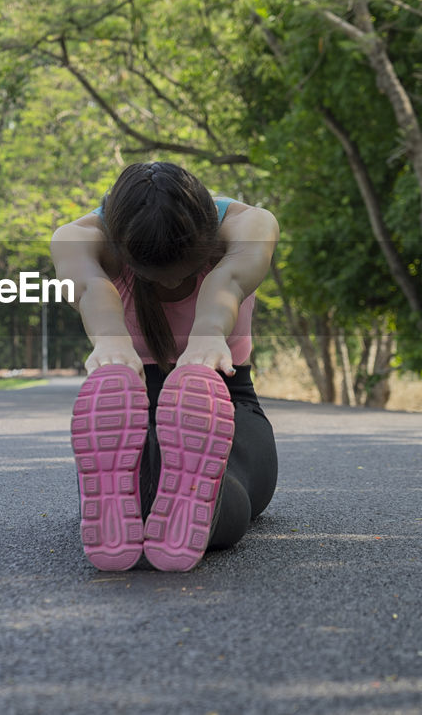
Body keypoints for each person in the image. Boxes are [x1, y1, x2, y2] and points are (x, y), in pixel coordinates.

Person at [50, 161, 280, 572]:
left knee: (233, 489)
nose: (174, 287)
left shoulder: (251, 225)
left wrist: (209, 334)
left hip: (223, 398)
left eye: (188, 271)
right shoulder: (77, 239)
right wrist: (111, 341)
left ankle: (154, 489)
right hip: (135, 402)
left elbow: (228, 279)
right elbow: (90, 287)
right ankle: (159, 483)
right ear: (121, 251)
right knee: (231, 494)